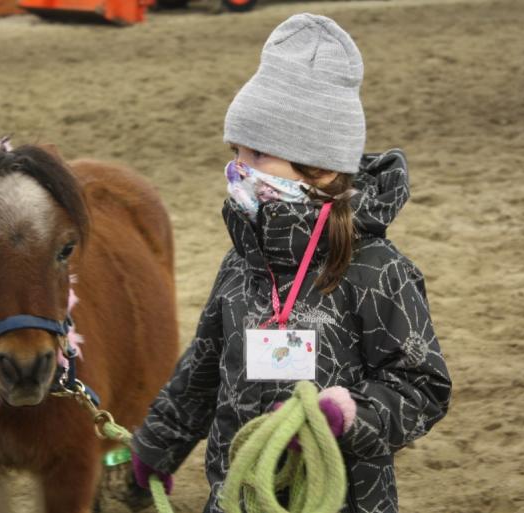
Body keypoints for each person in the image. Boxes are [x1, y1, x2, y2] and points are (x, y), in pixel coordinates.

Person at [130, 13, 451, 513]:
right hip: (238, 497)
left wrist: (345, 415)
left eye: (258, 153)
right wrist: (155, 448)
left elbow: (421, 386)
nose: (239, 168)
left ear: (318, 167)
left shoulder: (376, 270)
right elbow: (203, 369)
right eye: (236, 150)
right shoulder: (241, 265)